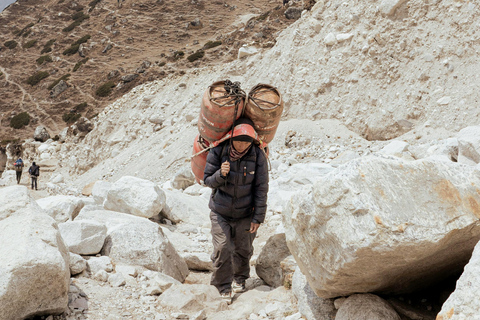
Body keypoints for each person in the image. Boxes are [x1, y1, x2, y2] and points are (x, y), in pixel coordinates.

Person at [203, 118, 269, 305]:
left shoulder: (258, 155)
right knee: (223, 247)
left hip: (246, 212)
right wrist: (221, 174)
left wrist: (258, 217)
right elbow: (207, 180)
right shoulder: (218, 150)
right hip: (220, 211)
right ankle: (222, 286)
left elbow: (261, 188)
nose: (241, 145)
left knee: (243, 248)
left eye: (246, 141)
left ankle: (240, 278)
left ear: (252, 141)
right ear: (231, 138)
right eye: (238, 140)